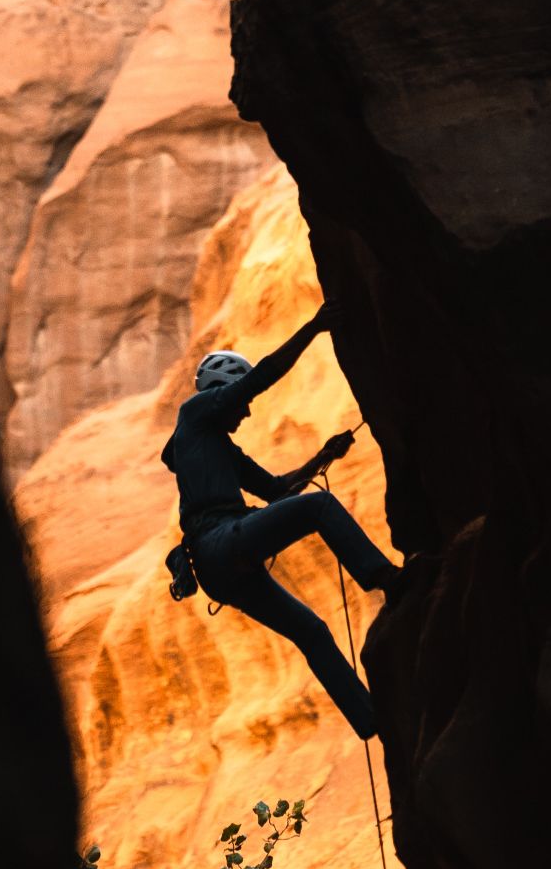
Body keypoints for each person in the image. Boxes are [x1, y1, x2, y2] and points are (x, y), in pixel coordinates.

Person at [160, 303, 400, 739]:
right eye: (240, 399)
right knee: (319, 508)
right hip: (220, 542)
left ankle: (372, 723)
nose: (247, 412)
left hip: (219, 562)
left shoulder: (215, 447)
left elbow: (274, 491)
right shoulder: (194, 415)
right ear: (221, 390)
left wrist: (324, 456)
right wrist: (314, 327)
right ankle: (388, 580)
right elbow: (263, 376)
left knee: (311, 630)